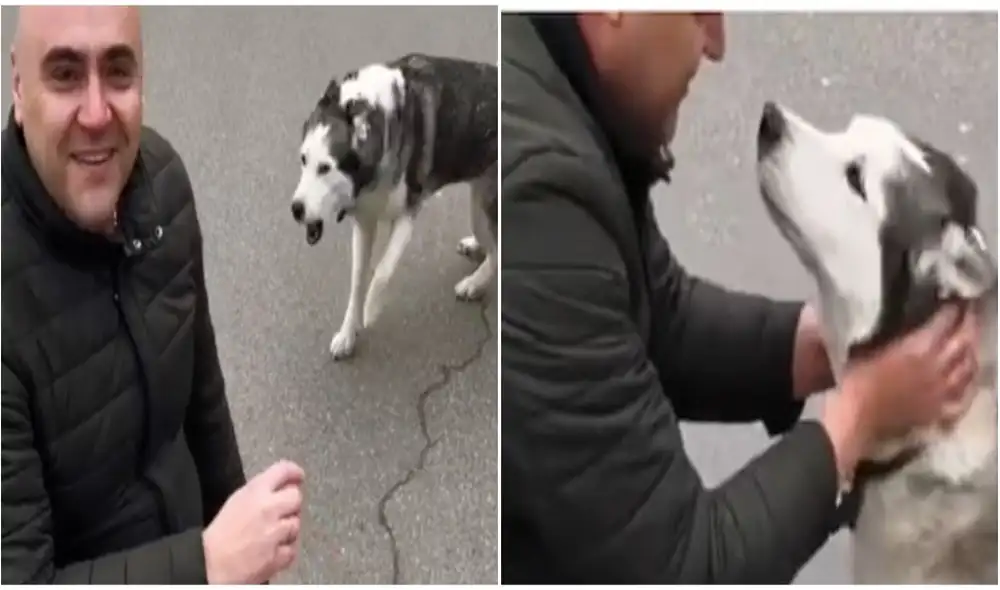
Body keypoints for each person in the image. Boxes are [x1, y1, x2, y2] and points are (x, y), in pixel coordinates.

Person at [500, 12, 981, 584]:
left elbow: (657, 317)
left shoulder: (566, 97)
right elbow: (679, 569)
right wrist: (857, 421)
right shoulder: (540, 201)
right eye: (700, 11)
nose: (718, 44)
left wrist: (816, 346)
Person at [2, 6, 304, 584]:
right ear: (19, 85)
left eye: (118, 72)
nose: (96, 113)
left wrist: (245, 555)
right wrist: (207, 564)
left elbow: (204, 402)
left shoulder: (163, 184)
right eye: (65, 74)